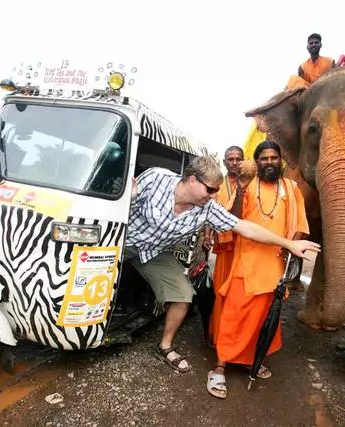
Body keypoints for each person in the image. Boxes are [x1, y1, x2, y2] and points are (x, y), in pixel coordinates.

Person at [126, 155, 319, 373]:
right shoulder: (156, 179)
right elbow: (114, 202)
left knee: (183, 295)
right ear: (191, 180)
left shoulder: (207, 207)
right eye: (210, 189)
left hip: (155, 252)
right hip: (120, 241)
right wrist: (129, 199)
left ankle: (165, 345)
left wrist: (288, 244)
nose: (214, 195)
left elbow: (245, 227)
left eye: (217, 190)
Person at [206, 141, 310, 399]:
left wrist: (291, 247)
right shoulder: (248, 185)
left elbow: (298, 223)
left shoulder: (291, 188)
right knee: (235, 314)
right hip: (246, 261)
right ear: (257, 161)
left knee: (265, 318)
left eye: (274, 157)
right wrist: (240, 191)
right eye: (264, 158)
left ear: (281, 160)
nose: (269, 162)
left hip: (275, 264)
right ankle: (220, 366)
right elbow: (232, 219)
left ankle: (254, 357)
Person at [206, 146, 244, 345]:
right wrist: (207, 235)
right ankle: (218, 334)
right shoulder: (217, 184)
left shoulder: (252, 183)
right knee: (221, 291)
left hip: (247, 248)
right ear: (225, 162)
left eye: (238, 159)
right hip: (225, 248)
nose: (235, 162)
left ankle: (236, 338)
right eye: (231, 159)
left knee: (241, 294)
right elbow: (207, 211)